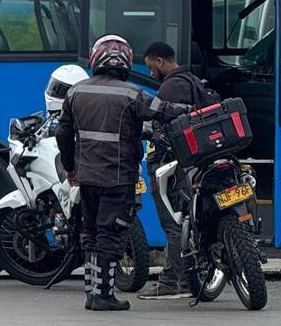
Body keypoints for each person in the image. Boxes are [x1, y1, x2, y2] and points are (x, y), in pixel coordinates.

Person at [57, 34, 190, 312]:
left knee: (91, 233)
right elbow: (164, 111)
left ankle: (92, 293)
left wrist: (71, 167)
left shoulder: (75, 93)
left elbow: (63, 135)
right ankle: (104, 296)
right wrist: (195, 109)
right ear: (126, 61)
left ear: (96, 59)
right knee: (112, 234)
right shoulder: (131, 93)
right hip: (117, 179)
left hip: (87, 178)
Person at [137, 41, 213, 300]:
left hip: (170, 164)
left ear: (159, 61)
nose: (150, 74)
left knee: (172, 223)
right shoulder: (193, 81)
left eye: (150, 67)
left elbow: (160, 123)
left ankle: (171, 281)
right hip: (193, 162)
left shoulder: (170, 87)